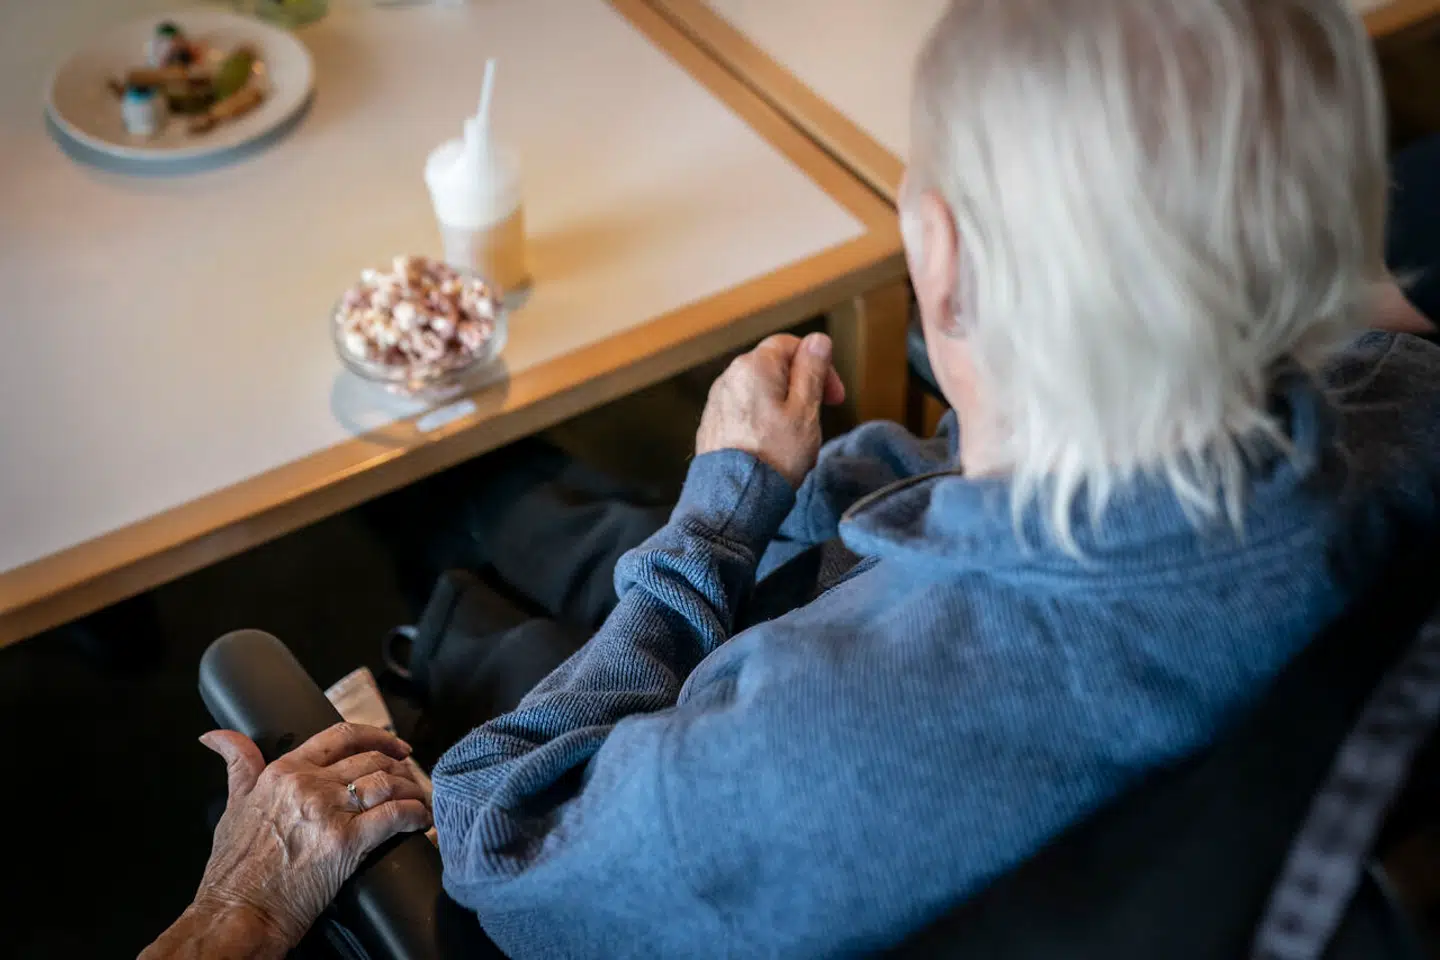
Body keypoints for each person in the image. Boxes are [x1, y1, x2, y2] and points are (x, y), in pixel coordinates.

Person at [146, 0, 1440, 956]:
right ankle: (476, 501)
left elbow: (492, 832)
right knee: (579, 521)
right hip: (876, 578)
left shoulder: (814, 754)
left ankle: (442, 510)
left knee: (574, 564)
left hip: (709, 721)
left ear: (937, 251)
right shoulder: (1401, 418)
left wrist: (719, 504)